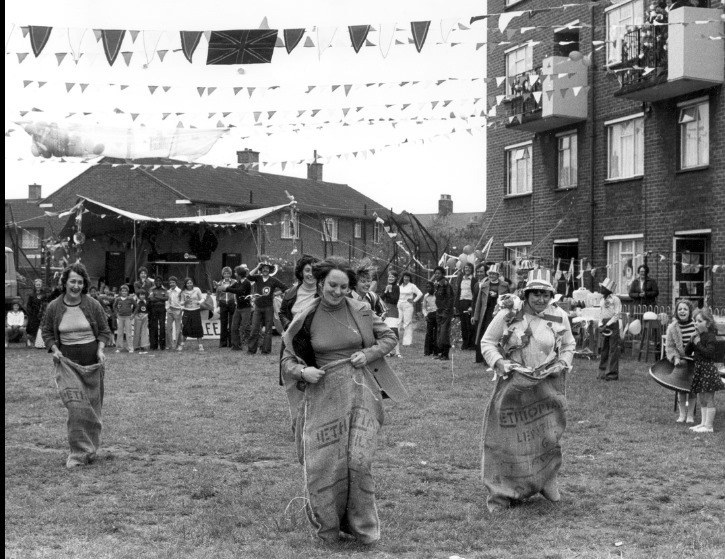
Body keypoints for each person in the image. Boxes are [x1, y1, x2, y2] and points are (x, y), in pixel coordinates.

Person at [280, 257, 405, 544]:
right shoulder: (304, 317)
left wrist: (369, 354)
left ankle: (363, 529)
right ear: (321, 283)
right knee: (324, 463)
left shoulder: (361, 311)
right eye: (332, 285)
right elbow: (287, 360)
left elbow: (389, 337)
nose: (337, 291)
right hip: (322, 398)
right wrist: (303, 370)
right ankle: (327, 528)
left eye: (343, 286)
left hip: (361, 394)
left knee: (359, 462)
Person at [480, 268, 575, 512]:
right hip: (514, 382)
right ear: (527, 293)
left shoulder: (557, 315)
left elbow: (568, 344)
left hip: (547, 382)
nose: (541, 299)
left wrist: (563, 363)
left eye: (546, 294)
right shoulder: (510, 313)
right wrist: (499, 362)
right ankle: (502, 493)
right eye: (536, 294)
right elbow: (487, 342)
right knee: (508, 438)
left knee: (547, 434)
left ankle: (546, 481)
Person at [40, 262, 112, 468]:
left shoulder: (92, 305)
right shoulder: (54, 306)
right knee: (76, 408)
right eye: (72, 281)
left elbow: (105, 331)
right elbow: (46, 332)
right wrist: (54, 349)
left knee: (92, 407)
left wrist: (100, 350)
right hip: (68, 364)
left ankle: (90, 448)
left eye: (80, 282)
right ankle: (78, 454)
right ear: (65, 282)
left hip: (92, 365)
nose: (76, 285)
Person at [686, 308, 721, 434]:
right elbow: (687, 353)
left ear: (708, 323)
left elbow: (709, 354)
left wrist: (698, 343)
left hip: (708, 370)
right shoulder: (697, 336)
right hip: (699, 369)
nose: (696, 323)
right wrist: (691, 341)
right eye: (695, 321)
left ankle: (709, 426)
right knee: (701, 397)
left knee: (709, 397)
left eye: (699, 321)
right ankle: (703, 423)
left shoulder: (710, 337)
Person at [665, 299, 697, 423]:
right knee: (681, 388)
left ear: (690, 312)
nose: (682, 311)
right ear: (676, 312)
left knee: (693, 389)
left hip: (694, 361)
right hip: (681, 361)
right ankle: (682, 414)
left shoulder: (695, 326)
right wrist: (675, 357)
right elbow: (670, 347)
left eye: (685, 309)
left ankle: (690, 415)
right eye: (680, 309)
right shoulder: (672, 328)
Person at [472, 264, 511, 364]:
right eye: (490, 274)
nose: (492, 276)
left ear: (498, 275)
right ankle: (484, 357)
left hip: (499, 312)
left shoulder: (505, 285)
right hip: (486, 313)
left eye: (494, 274)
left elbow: (509, 298)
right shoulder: (484, 285)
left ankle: (498, 357)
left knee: (498, 334)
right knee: (486, 334)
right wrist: (475, 315)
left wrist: (497, 295)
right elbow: (479, 302)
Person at [247, 260, 288, 355]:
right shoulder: (257, 278)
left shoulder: (273, 280)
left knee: (268, 330)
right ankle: (251, 350)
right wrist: (257, 267)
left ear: (270, 270)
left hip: (269, 307)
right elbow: (249, 276)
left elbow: (285, 288)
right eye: (263, 268)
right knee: (254, 328)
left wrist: (275, 294)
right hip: (258, 307)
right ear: (261, 270)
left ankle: (266, 350)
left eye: (267, 268)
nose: (265, 270)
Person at [279, 255, 320, 332]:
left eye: (314, 271)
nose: (311, 274)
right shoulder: (290, 293)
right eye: (307, 270)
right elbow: (282, 313)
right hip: (293, 339)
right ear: (301, 273)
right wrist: (288, 325)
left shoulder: (323, 294)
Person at [219, 266, 253, 351]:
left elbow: (239, 291)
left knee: (245, 327)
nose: (234, 274)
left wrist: (226, 288)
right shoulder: (237, 282)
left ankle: (254, 343)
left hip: (246, 308)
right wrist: (221, 287)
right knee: (234, 327)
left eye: (235, 272)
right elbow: (231, 288)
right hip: (238, 308)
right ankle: (236, 346)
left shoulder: (246, 282)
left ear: (239, 274)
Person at [598, 278, 622, 381]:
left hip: (612, 324)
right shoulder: (602, 300)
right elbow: (600, 313)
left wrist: (607, 325)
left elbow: (617, 314)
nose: (601, 289)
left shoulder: (615, 299)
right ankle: (602, 372)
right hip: (604, 323)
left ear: (608, 289)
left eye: (603, 287)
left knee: (613, 349)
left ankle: (612, 373)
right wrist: (600, 324)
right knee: (604, 348)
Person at [432, 266, 455, 361]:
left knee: (444, 332)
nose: (437, 275)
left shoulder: (446, 285)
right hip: (439, 311)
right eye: (435, 273)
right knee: (439, 332)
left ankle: (446, 354)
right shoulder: (438, 285)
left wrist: (447, 310)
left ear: (442, 274)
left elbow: (450, 298)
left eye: (439, 273)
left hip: (446, 312)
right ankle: (441, 353)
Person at [397, 271, 423, 347]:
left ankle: (407, 342)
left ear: (410, 278)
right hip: (399, 305)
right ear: (403, 277)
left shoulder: (412, 286)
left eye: (408, 277)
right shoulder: (399, 285)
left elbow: (420, 293)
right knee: (397, 322)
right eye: (405, 277)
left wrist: (414, 300)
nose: (406, 278)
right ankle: (395, 340)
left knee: (407, 323)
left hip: (408, 305)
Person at [454, 263, 476, 350]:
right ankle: (465, 343)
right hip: (461, 302)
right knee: (463, 324)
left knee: (470, 324)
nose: (467, 269)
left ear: (472, 270)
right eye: (466, 268)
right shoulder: (460, 279)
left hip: (469, 303)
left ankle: (471, 344)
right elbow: (458, 292)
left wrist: (472, 306)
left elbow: (474, 293)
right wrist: (456, 305)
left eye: (469, 268)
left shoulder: (474, 280)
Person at [179, 277, 205, 352]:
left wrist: (199, 302)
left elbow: (202, 298)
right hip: (187, 311)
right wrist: (185, 302)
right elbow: (181, 302)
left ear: (192, 283)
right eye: (188, 283)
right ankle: (182, 344)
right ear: (185, 284)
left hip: (196, 310)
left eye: (191, 282)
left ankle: (200, 345)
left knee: (198, 327)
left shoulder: (197, 289)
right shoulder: (183, 292)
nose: (189, 284)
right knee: (185, 327)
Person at [214, 266, 236, 348]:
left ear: (230, 274)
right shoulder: (219, 283)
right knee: (223, 323)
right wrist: (217, 303)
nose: (226, 275)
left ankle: (231, 342)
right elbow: (217, 294)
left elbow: (236, 292)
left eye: (228, 273)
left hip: (231, 302)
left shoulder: (234, 282)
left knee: (232, 323)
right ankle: (223, 343)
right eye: (225, 273)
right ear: (223, 274)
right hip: (223, 303)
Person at [381, 271, 401, 358]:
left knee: (394, 331)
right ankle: (388, 351)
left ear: (396, 278)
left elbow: (394, 300)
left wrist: (389, 290)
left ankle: (397, 352)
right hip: (386, 310)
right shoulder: (386, 287)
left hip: (393, 310)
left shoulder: (396, 287)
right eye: (389, 277)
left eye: (393, 277)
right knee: (386, 331)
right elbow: (381, 298)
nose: (391, 278)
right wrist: (386, 291)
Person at [25, 278, 48, 348]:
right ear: (34, 285)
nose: (38, 286)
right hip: (33, 313)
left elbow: (46, 303)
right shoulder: (31, 294)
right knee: (33, 327)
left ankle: (41, 342)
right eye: (37, 285)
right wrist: (30, 313)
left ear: (41, 285)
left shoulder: (44, 294)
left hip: (42, 313)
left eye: (39, 285)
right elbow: (28, 305)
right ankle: (31, 341)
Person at [113, 284, 136, 353]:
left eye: (125, 291)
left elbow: (137, 306)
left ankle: (130, 348)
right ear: (120, 292)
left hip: (128, 317)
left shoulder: (130, 299)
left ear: (128, 292)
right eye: (122, 291)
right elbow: (114, 306)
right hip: (120, 317)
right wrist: (116, 314)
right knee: (120, 333)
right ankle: (119, 348)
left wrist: (133, 314)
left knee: (129, 333)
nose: (124, 292)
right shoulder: (118, 299)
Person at [147, 276, 168, 351]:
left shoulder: (164, 289)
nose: (158, 282)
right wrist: (160, 298)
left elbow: (166, 298)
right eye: (157, 281)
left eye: (160, 281)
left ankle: (162, 346)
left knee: (162, 327)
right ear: (154, 282)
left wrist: (156, 297)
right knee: (154, 327)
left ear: (162, 282)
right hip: (153, 309)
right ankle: (154, 346)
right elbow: (151, 299)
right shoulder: (151, 289)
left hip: (162, 309)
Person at [165, 276, 184, 350]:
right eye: (170, 282)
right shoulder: (168, 291)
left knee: (178, 328)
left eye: (173, 282)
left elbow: (182, 301)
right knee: (168, 328)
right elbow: (167, 301)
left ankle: (179, 344)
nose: (171, 284)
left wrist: (180, 309)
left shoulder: (180, 291)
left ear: (176, 283)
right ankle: (170, 345)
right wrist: (167, 308)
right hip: (170, 311)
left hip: (178, 311)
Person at [422, 281, 438, 357]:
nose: (428, 289)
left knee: (437, 333)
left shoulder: (437, 295)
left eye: (430, 287)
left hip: (437, 314)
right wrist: (425, 315)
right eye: (427, 287)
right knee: (429, 333)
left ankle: (436, 351)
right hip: (430, 315)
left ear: (433, 287)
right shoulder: (426, 296)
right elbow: (423, 308)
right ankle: (427, 351)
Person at [133, 289, 150, 353]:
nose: (142, 296)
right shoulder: (135, 302)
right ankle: (136, 346)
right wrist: (136, 315)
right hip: (137, 317)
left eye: (143, 295)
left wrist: (146, 315)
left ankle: (144, 345)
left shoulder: (146, 302)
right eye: (141, 295)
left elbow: (148, 309)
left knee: (144, 331)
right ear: (138, 295)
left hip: (145, 317)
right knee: (137, 331)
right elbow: (133, 310)